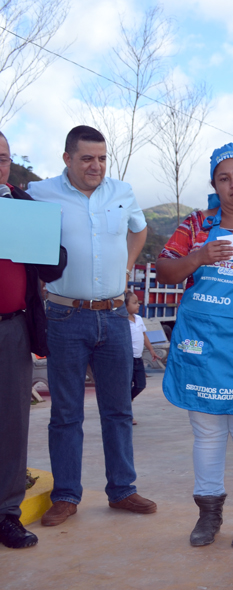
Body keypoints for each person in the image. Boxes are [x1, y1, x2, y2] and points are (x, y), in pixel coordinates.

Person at [157, 143, 233, 548]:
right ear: (214, 184)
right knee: (207, 432)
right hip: (203, 346)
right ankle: (208, 516)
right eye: (224, 178)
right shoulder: (196, 225)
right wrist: (200, 256)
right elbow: (165, 268)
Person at [30, 125, 155, 527]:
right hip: (65, 316)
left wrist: (127, 264)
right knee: (65, 413)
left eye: (102, 158)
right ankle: (66, 495)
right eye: (86, 158)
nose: (96, 166)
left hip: (116, 316)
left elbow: (139, 229)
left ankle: (122, 490)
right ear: (67, 159)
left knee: (118, 410)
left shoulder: (123, 192)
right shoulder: (40, 193)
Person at [0, 132, 67, 549]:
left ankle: (6, 513)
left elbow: (53, 267)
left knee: (10, 423)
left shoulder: (23, 205)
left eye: (3, 157)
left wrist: (39, 242)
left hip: (12, 328)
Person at [125, 291, 158, 425]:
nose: (138, 305)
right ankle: (127, 414)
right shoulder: (121, 321)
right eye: (134, 303)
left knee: (140, 385)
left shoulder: (138, 319)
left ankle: (126, 402)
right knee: (126, 387)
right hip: (126, 360)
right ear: (124, 305)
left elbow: (143, 336)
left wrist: (151, 350)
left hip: (137, 359)